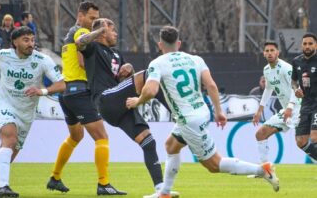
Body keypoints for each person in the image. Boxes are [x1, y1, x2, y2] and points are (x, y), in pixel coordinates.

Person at [125, 26, 280, 198]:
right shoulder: (195, 59)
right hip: (201, 111)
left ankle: (262, 170)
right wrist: (219, 111)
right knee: (171, 145)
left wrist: (137, 101)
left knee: (214, 165)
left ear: (160, 44)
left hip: (189, 120)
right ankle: (165, 193)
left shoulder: (157, 63)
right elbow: (211, 85)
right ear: (179, 43)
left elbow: (150, 90)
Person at [76, 18, 177, 198]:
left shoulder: (116, 54)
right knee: (148, 74)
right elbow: (79, 43)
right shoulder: (93, 48)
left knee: (148, 142)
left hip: (119, 108)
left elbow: (124, 83)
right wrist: (99, 31)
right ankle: (177, 114)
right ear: (103, 32)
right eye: (112, 30)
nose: (115, 34)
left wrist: (128, 70)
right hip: (105, 99)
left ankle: (161, 190)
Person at [0, 26, 66, 197]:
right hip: (5, 105)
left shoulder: (42, 60)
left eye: (32, 40)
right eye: (26, 40)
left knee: (5, 158)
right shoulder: (3, 55)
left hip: (26, 112)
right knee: (9, 139)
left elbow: (61, 84)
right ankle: (3, 187)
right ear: (15, 42)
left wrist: (42, 91)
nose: (30, 43)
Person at [46, 2, 125, 195]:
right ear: (80, 15)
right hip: (80, 91)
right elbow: (82, 62)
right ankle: (104, 184)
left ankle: (55, 177)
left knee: (76, 136)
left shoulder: (68, 35)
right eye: (91, 18)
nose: (94, 22)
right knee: (102, 137)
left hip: (67, 92)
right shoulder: (80, 31)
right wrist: (99, 35)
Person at [252, 41, 300, 164]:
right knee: (260, 134)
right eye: (267, 51)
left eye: (272, 50)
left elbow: (297, 89)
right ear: (263, 53)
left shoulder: (286, 68)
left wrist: (290, 107)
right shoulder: (266, 70)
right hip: (286, 111)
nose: (269, 53)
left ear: (277, 52)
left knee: (304, 141)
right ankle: (265, 170)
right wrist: (259, 110)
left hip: (299, 109)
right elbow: (268, 89)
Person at [291, 32, 317, 161]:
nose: (307, 46)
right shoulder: (296, 61)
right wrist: (296, 90)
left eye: (310, 43)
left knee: (315, 137)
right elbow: (294, 81)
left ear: (316, 45)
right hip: (306, 104)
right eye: (305, 43)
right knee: (300, 141)